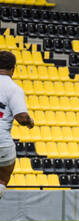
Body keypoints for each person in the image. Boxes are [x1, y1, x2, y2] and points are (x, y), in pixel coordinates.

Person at [0, 51, 34, 200]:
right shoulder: (13, 89)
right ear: (13, 68)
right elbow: (21, 117)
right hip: (2, 144)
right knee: (2, 180)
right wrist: (30, 123)